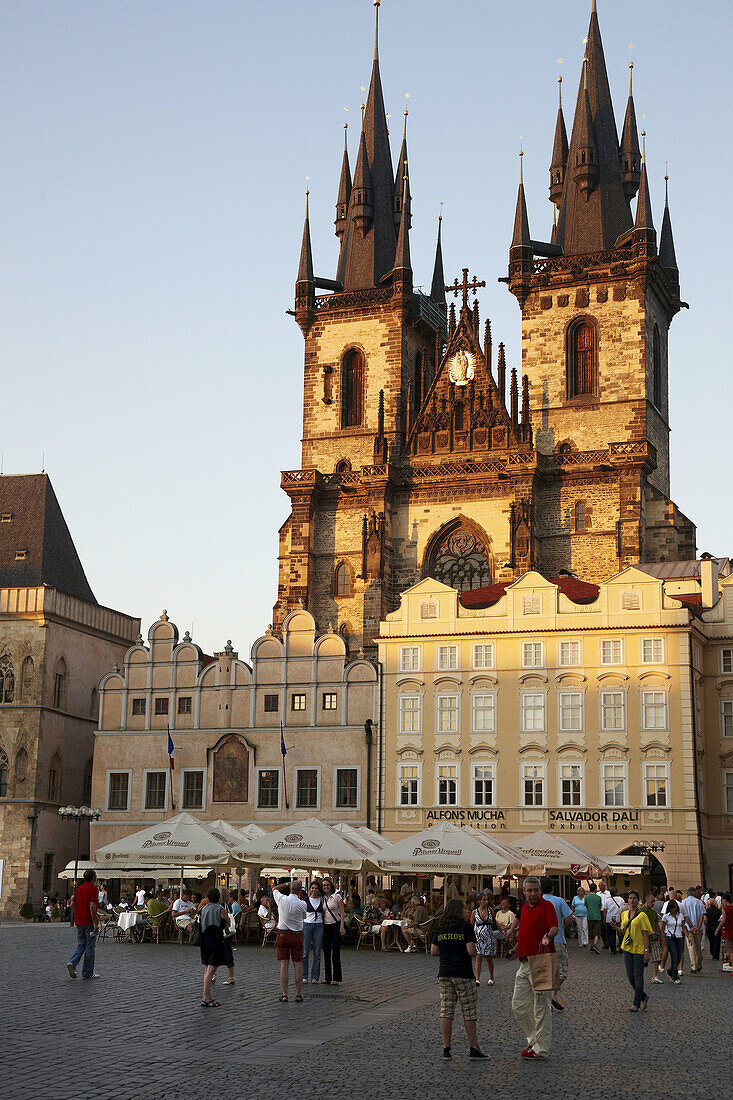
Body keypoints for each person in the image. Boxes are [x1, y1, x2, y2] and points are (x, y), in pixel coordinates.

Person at [430, 898, 486, 1060]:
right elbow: (471, 951)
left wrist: (448, 951)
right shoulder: (466, 927)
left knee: (446, 1010)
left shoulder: (441, 927)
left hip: (445, 972)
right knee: (468, 1010)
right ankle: (473, 1047)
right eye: (465, 909)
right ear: (458, 911)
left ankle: (446, 1048)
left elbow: (434, 951)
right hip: (463, 972)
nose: (468, 911)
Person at [510, 876, 559, 1061]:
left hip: (541, 961)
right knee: (519, 1005)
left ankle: (541, 1048)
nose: (533, 893)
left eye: (535, 890)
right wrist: (516, 948)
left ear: (540, 890)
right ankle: (533, 1040)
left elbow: (554, 927)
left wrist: (548, 936)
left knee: (541, 1007)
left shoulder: (547, 906)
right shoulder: (523, 908)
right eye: (529, 890)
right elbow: (524, 933)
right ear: (524, 892)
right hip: (524, 962)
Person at [272, 878, 307, 1002]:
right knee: (298, 964)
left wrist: (286, 884)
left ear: (290, 889)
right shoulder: (303, 904)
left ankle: (284, 994)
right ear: (300, 891)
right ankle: (298, 994)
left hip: (283, 934)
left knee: (284, 965)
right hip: (297, 934)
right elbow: (304, 917)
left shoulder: (282, 899)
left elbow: (274, 889)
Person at [541, 878, 572, 1011]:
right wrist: (562, 925)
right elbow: (569, 919)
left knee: (545, 971)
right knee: (562, 971)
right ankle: (552, 995)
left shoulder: (538, 901)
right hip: (558, 940)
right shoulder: (559, 901)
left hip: (542, 942)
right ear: (553, 888)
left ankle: (546, 998)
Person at [619, 889, 651, 1011]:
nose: (632, 900)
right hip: (627, 948)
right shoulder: (624, 914)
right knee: (630, 976)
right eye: (630, 898)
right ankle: (643, 996)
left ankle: (636, 1004)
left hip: (639, 949)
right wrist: (616, 927)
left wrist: (646, 951)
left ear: (638, 901)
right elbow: (624, 931)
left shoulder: (642, 916)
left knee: (638, 977)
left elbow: (645, 934)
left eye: (634, 898)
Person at [66, 869, 99, 980]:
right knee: (90, 947)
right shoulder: (93, 889)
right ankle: (87, 972)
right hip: (89, 922)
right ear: (93, 877)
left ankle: (72, 962)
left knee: (81, 944)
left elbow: (71, 905)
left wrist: (78, 913)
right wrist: (95, 922)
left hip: (79, 922)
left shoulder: (79, 889)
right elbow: (92, 906)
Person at [199, 887, 227, 1007]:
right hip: (215, 939)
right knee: (211, 969)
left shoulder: (203, 908)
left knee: (207, 969)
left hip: (204, 939)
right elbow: (228, 922)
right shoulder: (220, 909)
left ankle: (208, 996)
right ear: (218, 897)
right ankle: (205, 997)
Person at [322, 878, 345, 985]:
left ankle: (336, 977)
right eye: (324, 886)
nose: (326, 887)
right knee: (326, 952)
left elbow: (342, 911)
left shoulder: (337, 897)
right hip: (326, 926)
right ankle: (327, 977)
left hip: (335, 925)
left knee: (335, 952)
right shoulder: (322, 898)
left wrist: (342, 926)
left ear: (330, 886)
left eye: (327, 885)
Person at [471, 893, 498, 985]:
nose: (486, 902)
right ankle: (477, 979)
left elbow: (495, 922)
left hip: (489, 937)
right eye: (484, 900)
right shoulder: (474, 912)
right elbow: (471, 925)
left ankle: (491, 977)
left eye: (487, 900)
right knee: (478, 957)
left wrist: (502, 931)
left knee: (489, 958)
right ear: (479, 902)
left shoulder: (490, 910)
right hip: (478, 937)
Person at [302, 880, 325, 983]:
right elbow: (302, 913)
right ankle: (304, 975)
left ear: (318, 890)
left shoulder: (322, 899)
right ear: (309, 889)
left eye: (316, 888)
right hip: (307, 925)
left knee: (317, 952)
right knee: (305, 952)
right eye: (312, 888)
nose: (314, 890)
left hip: (319, 925)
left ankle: (315, 977)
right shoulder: (305, 900)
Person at [680, 886, 705, 973]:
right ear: (695, 893)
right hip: (699, 928)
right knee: (698, 946)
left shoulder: (684, 902)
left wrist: (691, 926)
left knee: (691, 947)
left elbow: (684, 916)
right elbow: (702, 915)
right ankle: (699, 963)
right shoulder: (699, 902)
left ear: (687, 893)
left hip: (688, 928)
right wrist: (698, 927)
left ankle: (694, 966)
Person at [662, 899, 687, 984]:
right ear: (669, 908)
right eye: (672, 908)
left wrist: (687, 936)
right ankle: (675, 977)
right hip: (670, 937)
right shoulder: (666, 916)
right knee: (674, 956)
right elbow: (662, 928)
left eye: (675, 908)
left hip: (679, 937)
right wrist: (660, 937)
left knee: (679, 956)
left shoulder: (680, 916)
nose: (674, 909)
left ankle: (670, 971)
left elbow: (683, 927)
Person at [642, 892, 663, 983]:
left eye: (654, 901)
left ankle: (654, 976)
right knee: (641, 958)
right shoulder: (641, 911)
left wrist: (660, 934)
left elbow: (656, 924)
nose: (653, 903)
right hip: (642, 938)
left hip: (653, 937)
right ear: (646, 901)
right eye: (652, 901)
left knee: (656, 957)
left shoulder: (653, 912)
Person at [601, 886, 623, 955]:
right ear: (616, 892)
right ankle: (621, 948)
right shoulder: (621, 899)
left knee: (611, 934)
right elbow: (622, 909)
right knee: (620, 934)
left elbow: (605, 911)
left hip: (609, 919)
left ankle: (613, 950)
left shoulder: (607, 900)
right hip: (618, 918)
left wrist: (604, 919)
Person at [715, 892, 733, 970]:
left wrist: (717, 930)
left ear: (725, 900)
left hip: (728, 931)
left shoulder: (725, 909)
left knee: (729, 950)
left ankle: (729, 966)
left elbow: (723, 921)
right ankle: (727, 965)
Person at [584, 883, 603, 954]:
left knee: (590, 931)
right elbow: (600, 906)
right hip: (597, 916)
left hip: (589, 916)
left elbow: (586, 905)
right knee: (597, 932)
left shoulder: (586, 897)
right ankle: (595, 945)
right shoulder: (598, 897)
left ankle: (591, 946)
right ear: (595, 889)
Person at [704, 895, 722, 961]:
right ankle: (716, 955)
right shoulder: (718, 911)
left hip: (709, 927)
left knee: (711, 941)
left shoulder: (707, 911)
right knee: (717, 942)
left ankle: (712, 953)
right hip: (717, 927)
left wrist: (706, 925)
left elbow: (705, 919)